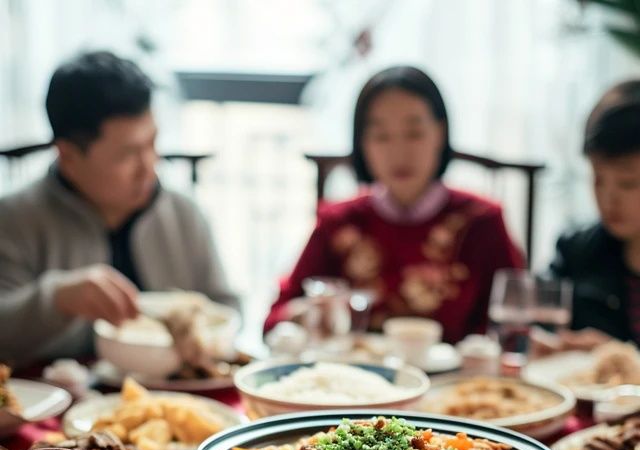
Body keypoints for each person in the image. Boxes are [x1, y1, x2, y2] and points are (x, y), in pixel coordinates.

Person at [0, 51, 237, 367]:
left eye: (152, 143)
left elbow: (226, 308)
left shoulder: (182, 214)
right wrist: (56, 299)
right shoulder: (14, 220)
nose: (149, 167)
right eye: (128, 155)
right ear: (68, 156)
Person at [264, 66, 524, 343]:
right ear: (362, 143)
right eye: (381, 136)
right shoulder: (338, 222)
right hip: (355, 381)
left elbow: (514, 326)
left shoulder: (481, 221)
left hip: (455, 384)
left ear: (440, 132)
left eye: (414, 133)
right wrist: (309, 314)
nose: (399, 152)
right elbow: (273, 321)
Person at [546, 80, 640, 349]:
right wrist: (552, 344)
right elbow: (540, 324)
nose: (609, 199)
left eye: (627, 183)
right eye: (598, 179)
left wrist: (622, 358)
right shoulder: (576, 249)